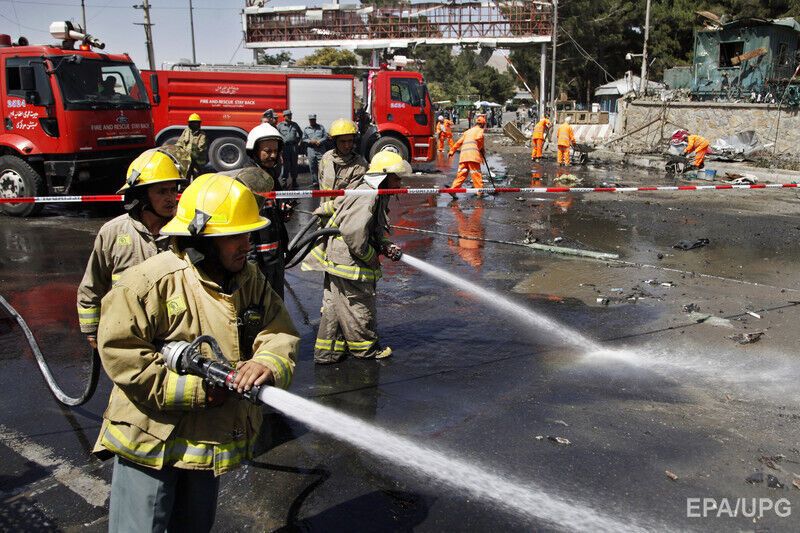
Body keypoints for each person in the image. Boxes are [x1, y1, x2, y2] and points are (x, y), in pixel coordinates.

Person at [94, 173, 299, 532]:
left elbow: (278, 330)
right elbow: (122, 354)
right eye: (234, 236)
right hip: (150, 443)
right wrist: (195, 391)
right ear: (201, 239)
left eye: (248, 234)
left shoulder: (249, 279)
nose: (246, 245)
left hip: (206, 443)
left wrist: (266, 362)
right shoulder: (150, 283)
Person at [302, 151, 410, 364]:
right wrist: (371, 257)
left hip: (338, 260)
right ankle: (366, 349)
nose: (400, 183)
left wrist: (384, 245)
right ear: (384, 176)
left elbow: (370, 229)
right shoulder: (368, 196)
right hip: (349, 262)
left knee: (336, 307)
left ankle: (328, 353)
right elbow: (354, 235)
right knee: (359, 305)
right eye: (396, 178)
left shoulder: (371, 192)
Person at [77, 148, 186, 349]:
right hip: (126, 335)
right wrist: (92, 330)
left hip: (174, 337)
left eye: (173, 190)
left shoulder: (183, 233)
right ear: (141, 195)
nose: (171, 198)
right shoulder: (113, 232)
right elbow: (93, 285)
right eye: (162, 191)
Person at [222, 123, 290, 299]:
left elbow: (271, 211)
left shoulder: (270, 176)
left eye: (275, 151)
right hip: (257, 260)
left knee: (276, 304)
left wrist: (283, 210)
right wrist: (249, 261)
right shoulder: (247, 180)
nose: (273, 155)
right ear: (254, 151)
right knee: (257, 304)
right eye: (267, 151)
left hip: (275, 256)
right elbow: (246, 227)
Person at [318, 118, 368, 216]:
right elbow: (321, 184)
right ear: (335, 142)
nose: (347, 145)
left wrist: (324, 209)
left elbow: (350, 197)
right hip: (324, 215)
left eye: (350, 141)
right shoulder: (326, 158)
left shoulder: (360, 165)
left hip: (345, 216)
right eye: (342, 141)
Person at [448, 114, 487, 200]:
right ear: (483, 124)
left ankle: (453, 189)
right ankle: (480, 191)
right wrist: (481, 149)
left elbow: (459, 142)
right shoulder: (480, 130)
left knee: (461, 174)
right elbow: (479, 138)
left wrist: (452, 151)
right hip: (473, 156)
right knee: (476, 174)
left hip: (463, 156)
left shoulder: (468, 132)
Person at [175, 113, 208, 179]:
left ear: (199, 123)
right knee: (185, 175)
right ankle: (185, 185)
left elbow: (201, 149)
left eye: (196, 123)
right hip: (186, 159)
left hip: (197, 161)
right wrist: (178, 150)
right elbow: (180, 142)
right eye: (192, 122)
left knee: (196, 175)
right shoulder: (186, 131)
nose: (194, 124)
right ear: (189, 123)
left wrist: (189, 155)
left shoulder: (202, 135)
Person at [277, 109, 303, 189]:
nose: (290, 117)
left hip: (294, 147)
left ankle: (294, 180)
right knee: (286, 164)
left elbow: (301, 134)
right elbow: (276, 135)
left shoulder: (295, 124)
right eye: (288, 115)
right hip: (285, 147)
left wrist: (299, 142)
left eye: (290, 115)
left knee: (294, 164)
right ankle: (284, 180)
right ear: (284, 116)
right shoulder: (280, 125)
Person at [303, 114, 328, 189]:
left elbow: (325, 136)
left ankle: (322, 181)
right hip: (311, 149)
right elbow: (304, 139)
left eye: (313, 120)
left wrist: (320, 141)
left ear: (315, 120)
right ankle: (315, 182)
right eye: (311, 120)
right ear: (309, 120)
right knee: (312, 166)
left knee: (322, 165)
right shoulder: (306, 129)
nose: (312, 121)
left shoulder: (321, 127)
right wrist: (310, 141)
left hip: (320, 149)